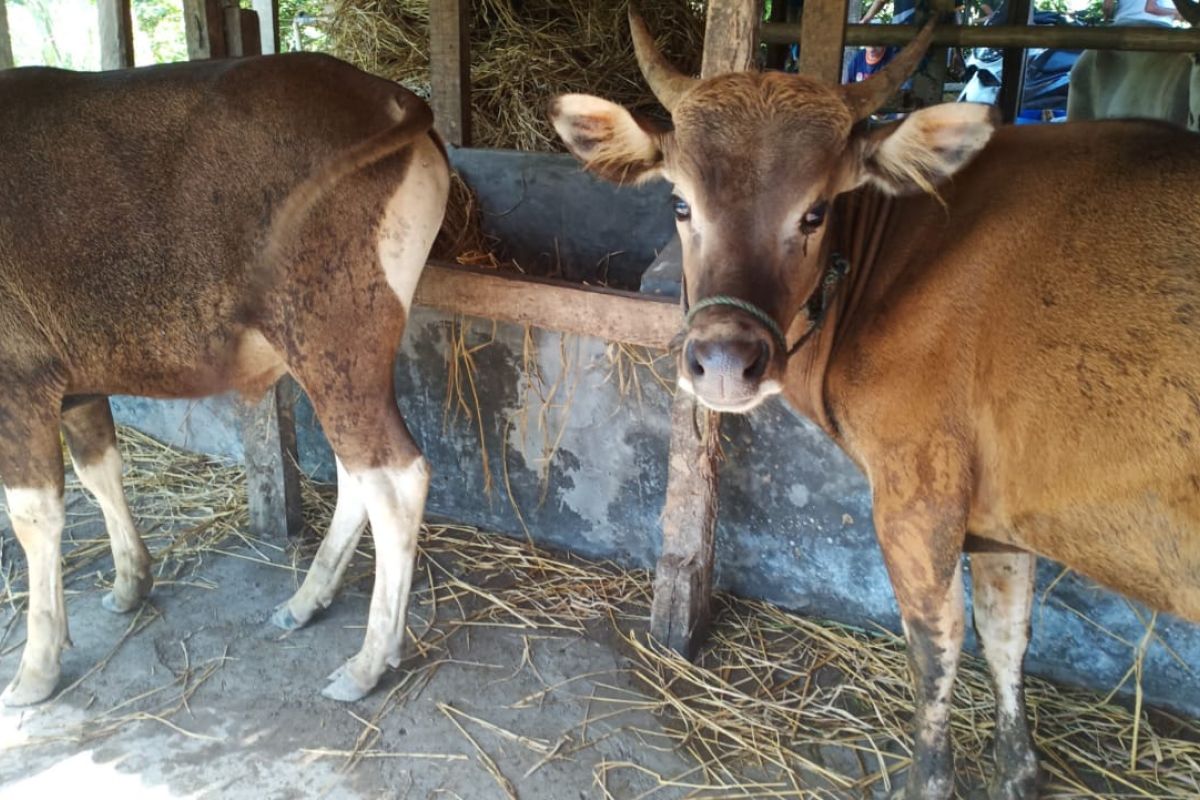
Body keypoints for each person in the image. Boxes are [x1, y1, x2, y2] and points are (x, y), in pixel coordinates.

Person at [1106, 0, 1181, 25]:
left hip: (1122, 24)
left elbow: (1107, 6)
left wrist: (1108, 18)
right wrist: (1179, 12)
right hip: (1158, 25)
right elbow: (1151, 8)